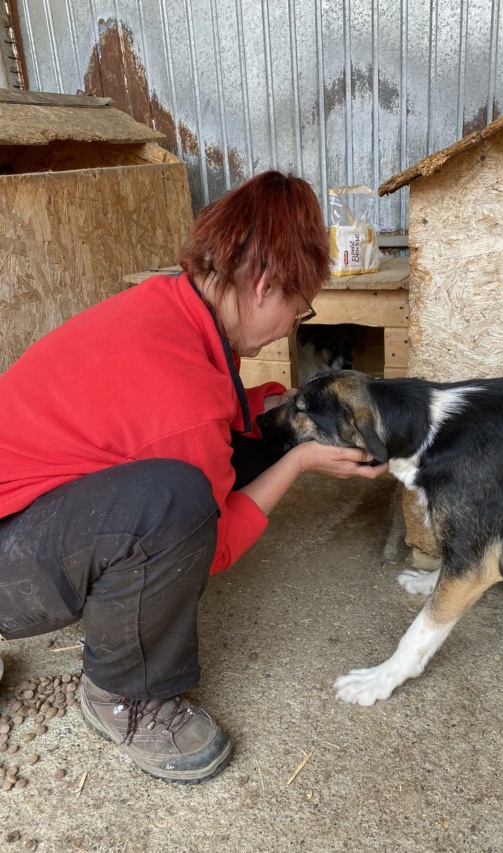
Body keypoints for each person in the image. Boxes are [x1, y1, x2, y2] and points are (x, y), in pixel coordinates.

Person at [0, 170, 387, 784]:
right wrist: (300, 461)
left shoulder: (176, 307)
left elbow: (225, 416)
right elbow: (212, 543)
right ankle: (124, 697)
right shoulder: (180, 391)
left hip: (30, 507)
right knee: (170, 506)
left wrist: (282, 411)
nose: (294, 324)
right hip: (8, 555)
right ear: (264, 286)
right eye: (299, 308)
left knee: (252, 434)